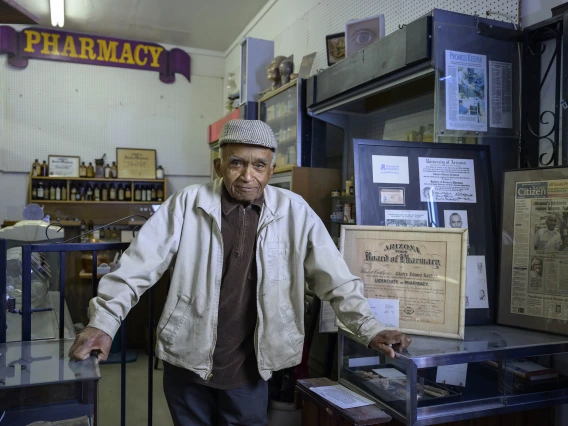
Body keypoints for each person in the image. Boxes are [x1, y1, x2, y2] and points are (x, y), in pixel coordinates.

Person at [68, 120, 411, 426]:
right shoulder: (188, 204)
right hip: (186, 359)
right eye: (237, 163)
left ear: (271, 169)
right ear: (219, 165)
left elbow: (335, 278)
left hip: (250, 367)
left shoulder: (294, 212)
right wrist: (103, 323)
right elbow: (137, 266)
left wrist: (369, 328)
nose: (248, 176)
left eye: (259, 165)